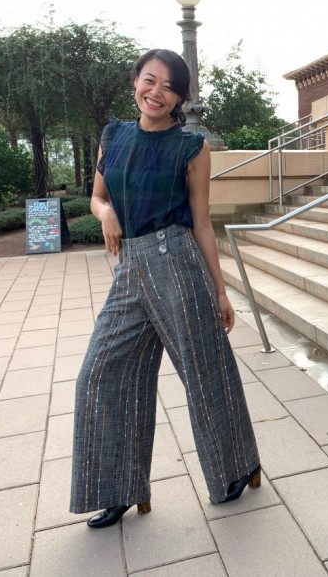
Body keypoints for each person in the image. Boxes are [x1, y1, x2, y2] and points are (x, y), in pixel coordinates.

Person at [70, 49, 261, 528]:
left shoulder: (191, 147)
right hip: (128, 267)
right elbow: (97, 197)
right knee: (99, 374)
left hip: (177, 262)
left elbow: (201, 224)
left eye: (170, 86)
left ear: (180, 96)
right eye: (149, 81)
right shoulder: (112, 136)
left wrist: (220, 290)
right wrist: (106, 213)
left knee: (205, 370)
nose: (157, 92)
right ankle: (117, 488)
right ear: (135, 80)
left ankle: (237, 466)